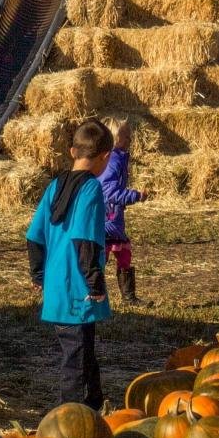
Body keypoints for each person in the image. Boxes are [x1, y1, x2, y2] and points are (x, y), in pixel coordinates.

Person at [25, 117, 114, 409]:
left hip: (57, 287)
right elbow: (84, 240)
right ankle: (70, 415)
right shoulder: (91, 189)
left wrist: (39, 275)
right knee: (74, 359)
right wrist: (95, 282)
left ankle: (95, 405)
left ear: (73, 152)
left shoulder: (54, 185)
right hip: (78, 288)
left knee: (84, 350)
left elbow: (34, 236)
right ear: (105, 157)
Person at [97, 117, 144, 303]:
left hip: (114, 219)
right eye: (125, 135)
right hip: (106, 220)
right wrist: (135, 196)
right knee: (101, 258)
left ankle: (128, 295)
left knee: (124, 254)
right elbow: (109, 192)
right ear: (114, 138)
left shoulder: (119, 158)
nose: (130, 138)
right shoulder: (113, 160)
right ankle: (94, 293)